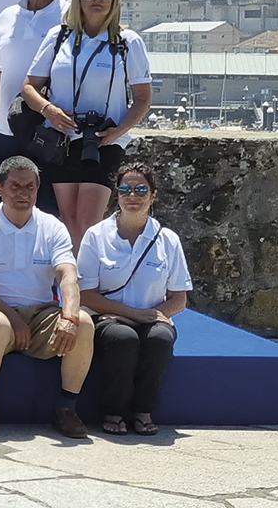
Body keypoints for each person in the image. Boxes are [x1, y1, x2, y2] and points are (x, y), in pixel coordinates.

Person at [21, 0, 152, 246]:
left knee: (88, 224)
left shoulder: (128, 42)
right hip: (61, 140)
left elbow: (142, 98)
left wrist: (119, 131)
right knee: (68, 223)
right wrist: (49, 110)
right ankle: (72, 274)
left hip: (103, 141)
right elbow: (29, 87)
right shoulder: (59, 37)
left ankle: (85, 274)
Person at [0, 156, 92, 439]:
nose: (23, 193)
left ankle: (67, 409)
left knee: (84, 323)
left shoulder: (53, 227)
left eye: (30, 187)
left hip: (41, 315)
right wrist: (12, 318)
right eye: (15, 186)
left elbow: (67, 276)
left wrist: (70, 316)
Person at [79, 162, 190, 437]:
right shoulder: (96, 236)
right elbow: (86, 294)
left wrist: (153, 315)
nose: (132, 195)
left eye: (141, 190)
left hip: (151, 317)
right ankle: (113, 411)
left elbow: (179, 298)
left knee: (160, 339)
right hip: (107, 317)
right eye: (125, 189)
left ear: (153, 196)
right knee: (123, 339)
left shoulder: (168, 240)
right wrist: (133, 315)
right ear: (116, 194)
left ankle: (143, 411)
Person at [0, 0, 67, 214]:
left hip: (46, 129)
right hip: (4, 127)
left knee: (46, 208)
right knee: (2, 206)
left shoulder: (69, 15)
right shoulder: (6, 16)